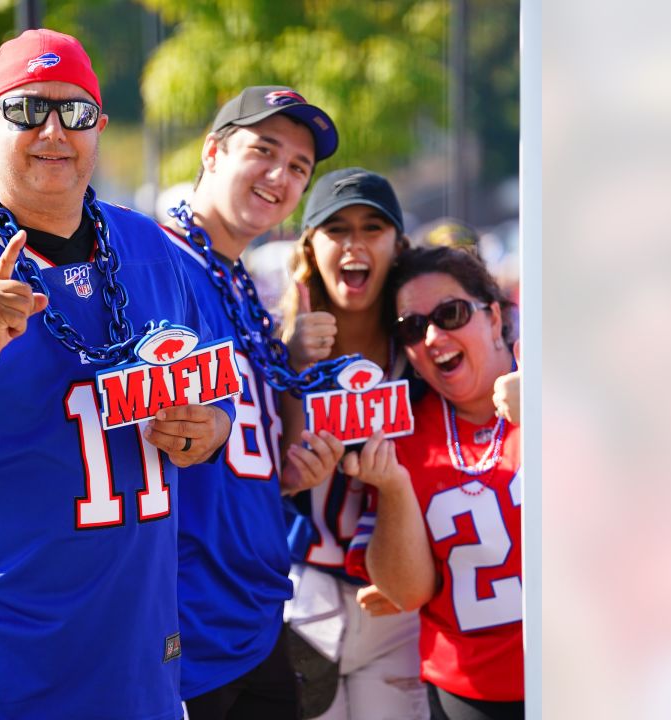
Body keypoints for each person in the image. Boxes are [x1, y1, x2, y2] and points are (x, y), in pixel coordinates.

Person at [0, 29, 234, 720]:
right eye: (28, 110)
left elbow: (219, 398)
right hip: (10, 655)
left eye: (76, 111)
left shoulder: (149, 245)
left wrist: (206, 428)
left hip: (139, 653)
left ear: (101, 125)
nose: (54, 131)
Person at [158, 86, 348, 719]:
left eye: (299, 167)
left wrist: (292, 370)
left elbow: (259, 457)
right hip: (186, 622)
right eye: (263, 151)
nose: (281, 176)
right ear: (213, 151)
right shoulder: (156, 262)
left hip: (254, 611)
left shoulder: (236, 279)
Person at [273, 168, 429, 720]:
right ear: (310, 246)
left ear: (398, 245)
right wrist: (293, 362)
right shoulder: (278, 344)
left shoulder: (426, 349)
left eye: (372, 227)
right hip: (301, 596)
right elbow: (280, 472)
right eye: (335, 228)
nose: (354, 244)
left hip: (397, 601)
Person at [344, 246, 524, 720]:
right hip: (469, 693)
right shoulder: (403, 431)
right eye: (412, 327)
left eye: (451, 313)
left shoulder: (561, 376)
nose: (433, 335)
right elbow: (406, 592)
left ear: (493, 317)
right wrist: (395, 489)